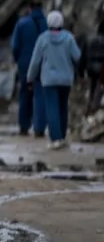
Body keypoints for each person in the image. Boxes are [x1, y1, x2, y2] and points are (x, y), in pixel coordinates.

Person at [27, 11, 82, 150]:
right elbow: (78, 57)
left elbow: (35, 62)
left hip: (49, 80)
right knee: (63, 107)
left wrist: (30, 78)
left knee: (52, 109)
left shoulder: (43, 39)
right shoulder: (69, 38)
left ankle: (56, 139)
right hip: (66, 79)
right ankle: (62, 137)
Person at [11, 0, 48, 137]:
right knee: (40, 94)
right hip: (43, 64)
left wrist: (17, 59)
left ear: (30, 8)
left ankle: (24, 126)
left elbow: (15, 46)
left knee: (25, 94)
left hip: (25, 64)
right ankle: (39, 128)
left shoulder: (22, 24)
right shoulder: (47, 24)